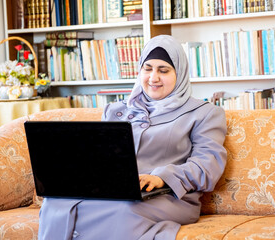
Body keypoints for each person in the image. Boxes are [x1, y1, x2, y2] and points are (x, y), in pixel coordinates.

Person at [38, 35, 227, 240]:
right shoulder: (115, 110)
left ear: (179, 73)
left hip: (168, 197)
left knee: (123, 211)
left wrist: (161, 177)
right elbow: (99, 158)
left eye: (163, 70)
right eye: (147, 69)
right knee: (55, 202)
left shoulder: (205, 113)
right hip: (112, 192)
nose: (153, 77)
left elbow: (207, 165)